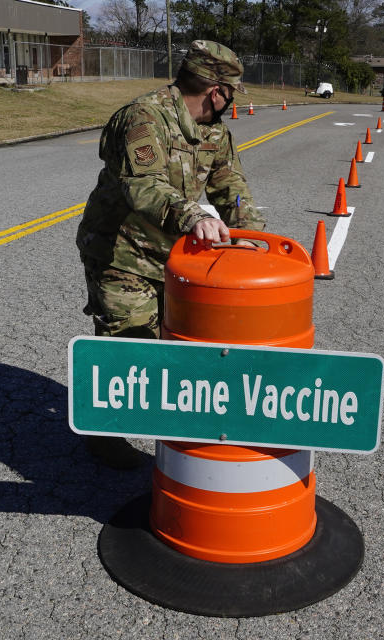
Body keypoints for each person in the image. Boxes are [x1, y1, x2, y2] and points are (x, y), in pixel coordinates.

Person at [75, 40, 265, 469]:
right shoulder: (144, 118)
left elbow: (229, 184)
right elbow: (143, 185)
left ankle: (169, 426)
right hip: (119, 250)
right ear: (217, 90)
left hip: (172, 256)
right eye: (231, 92)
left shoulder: (214, 130)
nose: (231, 101)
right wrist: (192, 214)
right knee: (130, 345)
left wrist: (251, 234)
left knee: (175, 342)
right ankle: (103, 436)